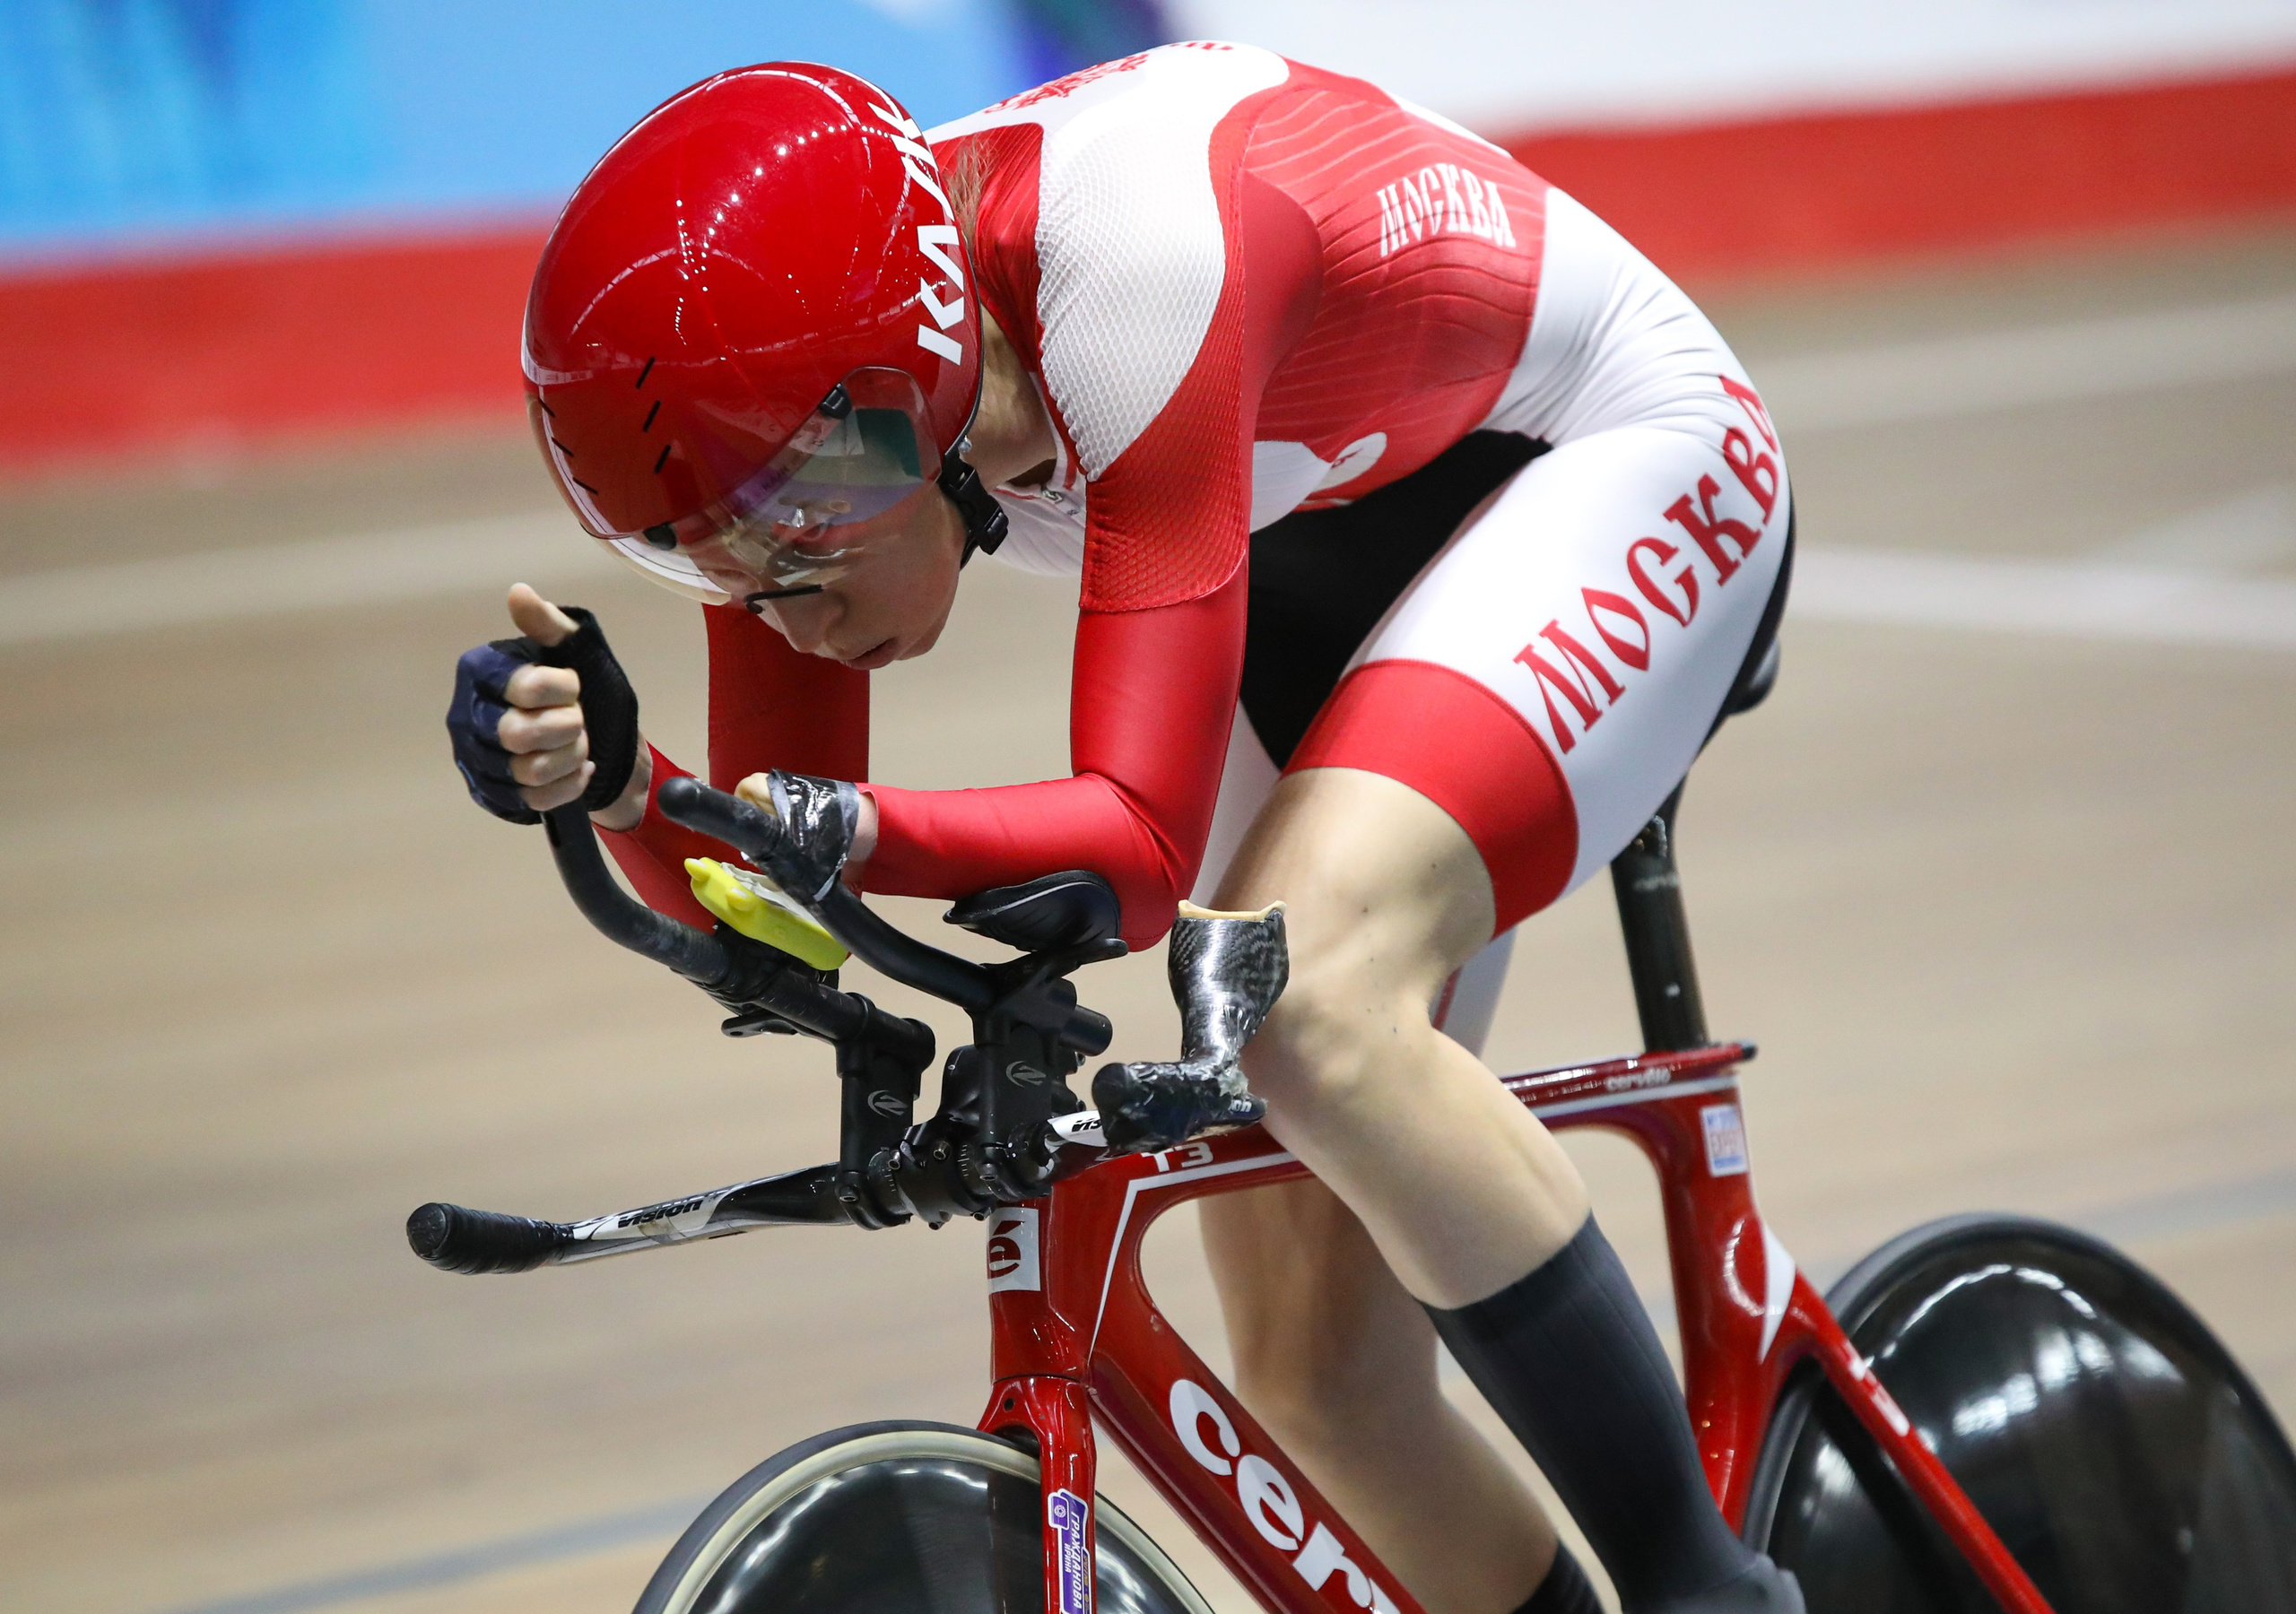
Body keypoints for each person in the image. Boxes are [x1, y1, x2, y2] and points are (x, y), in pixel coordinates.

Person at [448, 46, 1797, 1614]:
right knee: (1317, 1380)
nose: (769, 601)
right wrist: (624, 784)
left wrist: (834, 821)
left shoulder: (1134, 266)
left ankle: (1712, 1598)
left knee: (1311, 1003)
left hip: (1598, 453)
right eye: (700, 564)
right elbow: (786, 897)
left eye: (786, 539)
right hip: (1304, 538)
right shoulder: (790, 430)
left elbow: (1138, 851)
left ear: (911, 409)